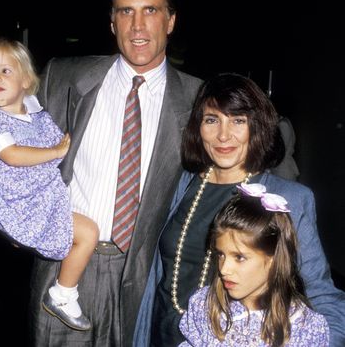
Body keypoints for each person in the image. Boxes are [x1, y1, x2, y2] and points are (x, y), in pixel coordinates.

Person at [28, 0, 203, 347]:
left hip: (145, 277)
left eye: (150, 10)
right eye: (126, 11)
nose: (137, 26)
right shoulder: (64, 78)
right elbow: (3, 149)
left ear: (171, 21)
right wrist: (14, 223)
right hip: (65, 268)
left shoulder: (198, 100)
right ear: (112, 22)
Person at [134, 73, 345, 346]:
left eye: (238, 120)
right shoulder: (178, 185)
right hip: (160, 335)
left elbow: (322, 295)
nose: (223, 135)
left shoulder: (289, 199)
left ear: (257, 126)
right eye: (212, 120)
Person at [0, 37, 99, 331]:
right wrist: (56, 152)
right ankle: (63, 294)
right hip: (16, 202)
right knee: (88, 233)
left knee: (84, 230)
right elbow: (12, 155)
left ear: (25, 80)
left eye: (5, 71)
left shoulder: (35, 114)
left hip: (38, 194)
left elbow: (59, 140)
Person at [179, 184, 329, 346]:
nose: (224, 269)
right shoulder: (205, 306)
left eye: (239, 257)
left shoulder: (304, 328)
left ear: (273, 259)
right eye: (221, 254)